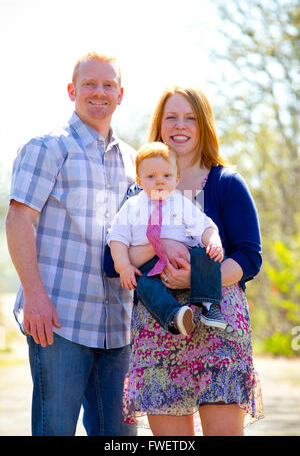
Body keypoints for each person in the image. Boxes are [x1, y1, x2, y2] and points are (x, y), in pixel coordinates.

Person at [5, 51, 137, 436]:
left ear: (120, 93)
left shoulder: (132, 161)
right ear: (72, 90)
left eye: (108, 85)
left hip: (119, 325)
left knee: (119, 437)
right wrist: (34, 295)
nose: (99, 92)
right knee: (55, 430)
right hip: (60, 320)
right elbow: (18, 219)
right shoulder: (47, 147)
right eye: (89, 84)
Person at [122, 85, 264, 436]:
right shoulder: (138, 190)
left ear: (203, 126)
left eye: (190, 118)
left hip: (218, 327)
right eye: (171, 117)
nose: (180, 126)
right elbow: (116, 260)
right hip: (160, 327)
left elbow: (249, 256)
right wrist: (160, 245)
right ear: (160, 125)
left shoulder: (225, 183)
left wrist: (198, 281)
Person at [107, 141, 226, 337]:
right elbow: (117, 238)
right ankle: (175, 316)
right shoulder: (131, 207)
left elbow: (204, 225)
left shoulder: (182, 203)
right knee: (144, 286)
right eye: (151, 176)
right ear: (139, 181)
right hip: (149, 265)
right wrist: (124, 266)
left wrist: (213, 240)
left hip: (184, 257)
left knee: (207, 256)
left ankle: (209, 304)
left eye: (167, 176)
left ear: (177, 179)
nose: (159, 181)